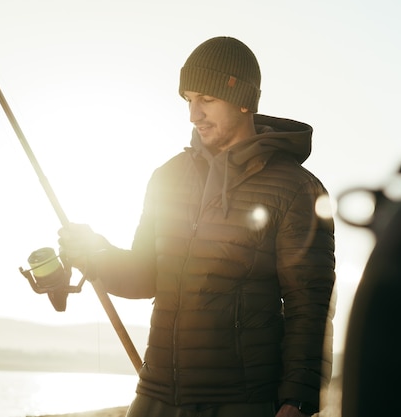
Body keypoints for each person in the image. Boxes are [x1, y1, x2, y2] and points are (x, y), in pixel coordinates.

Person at [58, 36, 336, 417]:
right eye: (189, 99)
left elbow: (310, 306)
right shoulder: (166, 177)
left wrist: (299, 400)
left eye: (206, 99)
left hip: (242, 401)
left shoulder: (296, 189)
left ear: (244, 100)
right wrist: (97, 255)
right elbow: (145, 276)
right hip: (155, 394)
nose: (193, 114)